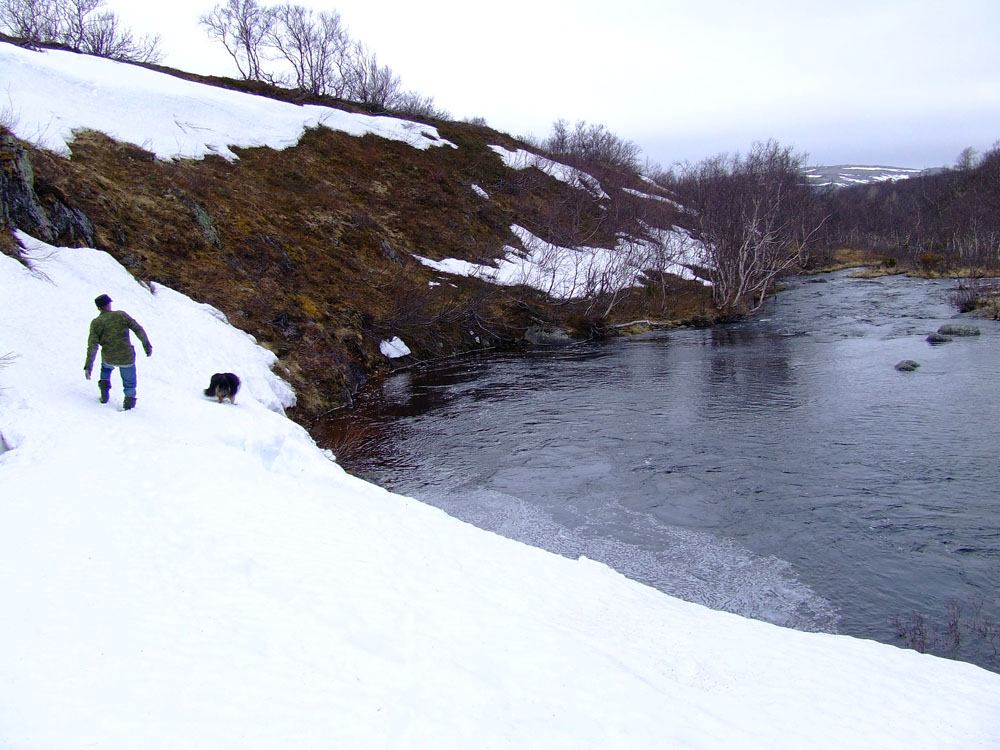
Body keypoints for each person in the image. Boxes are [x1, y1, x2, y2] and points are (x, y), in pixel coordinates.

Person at [84, 294, 152, 410]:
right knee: (129, 381)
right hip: (126, 357)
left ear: (99, 308)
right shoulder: (121, 315)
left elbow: (92, 346)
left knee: (105, 368)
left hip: (108, 357)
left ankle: (104, 390)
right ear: (109, 305)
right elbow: (138, 329)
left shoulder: (96, 322)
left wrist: (88, 366)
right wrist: (146, 345)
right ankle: (129, 401)